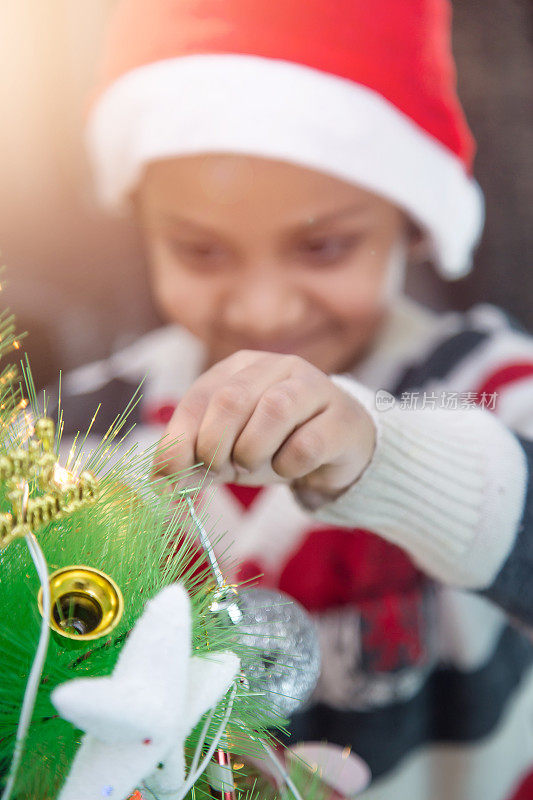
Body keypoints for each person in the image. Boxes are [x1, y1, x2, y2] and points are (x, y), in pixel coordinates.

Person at [60, 0, 533, 797]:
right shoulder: (79, 434)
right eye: (201, 250)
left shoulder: (489, 388)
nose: (263, 310)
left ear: (409, 222)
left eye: (322, 246)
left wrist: (384, 457)